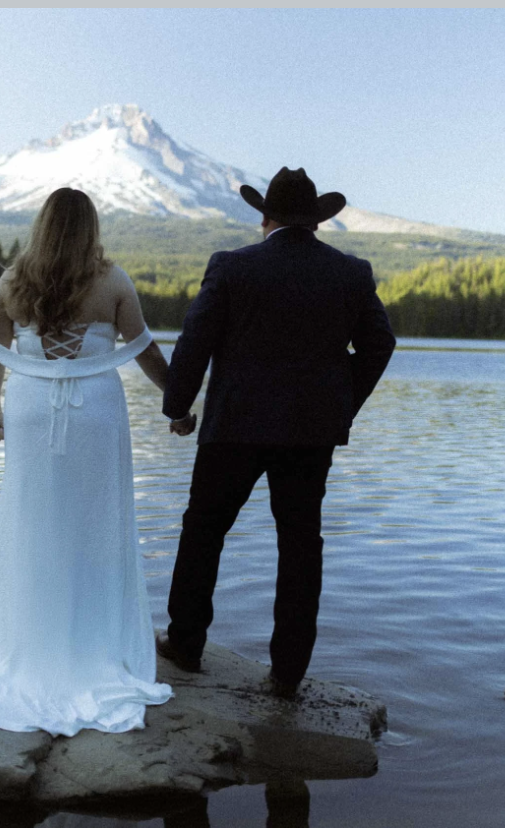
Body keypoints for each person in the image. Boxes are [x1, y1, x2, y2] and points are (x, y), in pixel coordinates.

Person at [0, 187, 178, 736]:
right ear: (90, 229)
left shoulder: (10, 282)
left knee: (32, 524)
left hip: (32, 411)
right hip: (95, 413)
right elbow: (146, 352)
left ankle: (32, 641)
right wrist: (179, 404)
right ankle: (93, 645)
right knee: (96, 525)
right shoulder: (112, 281)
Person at [156, 167, 397, 699]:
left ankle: (186, 644)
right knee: (299, 544)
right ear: (316, 221)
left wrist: (177, 406)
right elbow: (380, 345)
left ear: (264, 217)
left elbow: (194, 342)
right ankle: (287, 672)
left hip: (232, 428)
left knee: (204, 530)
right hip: (311, 436)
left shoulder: (232, 267)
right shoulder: (351, 273)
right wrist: (341, 406)